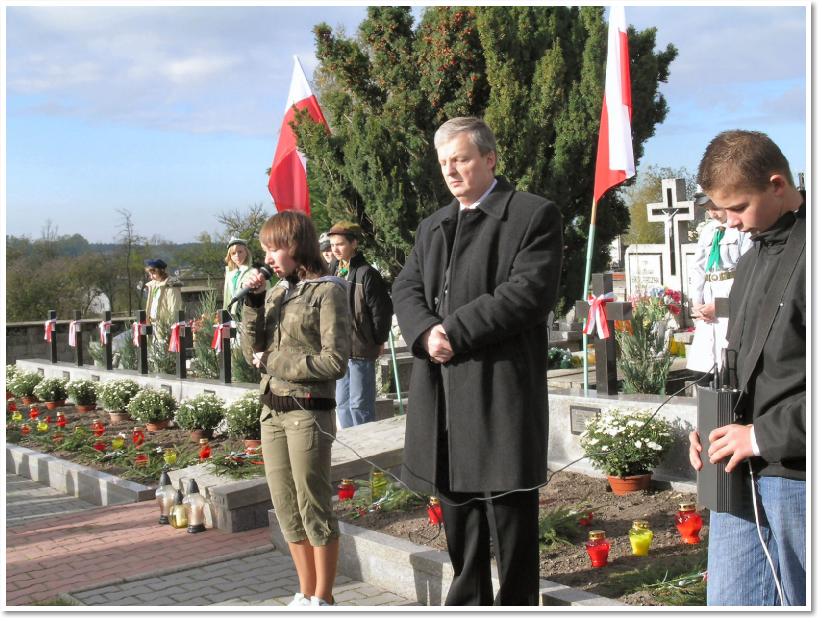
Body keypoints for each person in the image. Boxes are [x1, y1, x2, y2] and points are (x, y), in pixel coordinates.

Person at [392, 117, 563, 605]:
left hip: (498, 386)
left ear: (490, 159)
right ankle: (469, 604)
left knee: (510, 510)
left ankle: (517, 606)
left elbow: (527, 293)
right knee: (456, 508)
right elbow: (405, 287)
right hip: (442, 388)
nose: (451, 170)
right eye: (444, 162)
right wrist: (426, 331)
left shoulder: (532, 215)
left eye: (461, 159)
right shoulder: (433, 226)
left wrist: (453, 332)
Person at [688, 130, 805, 606]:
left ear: (777, 184)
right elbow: (740, 363)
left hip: (798, 472)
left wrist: (759, 436)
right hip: (738, 472)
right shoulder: (753, 257)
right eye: (721, 212)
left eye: (737, 208)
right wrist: (712, 427)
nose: (730, 224)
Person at [239, 211, 350, 608]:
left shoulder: (328, 291)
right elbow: (248, 349)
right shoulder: (274, 292)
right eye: (266, 248)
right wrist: (251, 303)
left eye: (275, 247)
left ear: (297, 246)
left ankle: (324, 597)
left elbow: (335, 361)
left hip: (308, 412)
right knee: (285, 506)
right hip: (272, 412)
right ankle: (304, 592)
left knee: (312, 504)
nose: (268, 256)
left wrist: (275, 362)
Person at [327, 220, 393, 428]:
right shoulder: (333, 270)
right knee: (342, 404)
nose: (335, 249)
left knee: (359, 405)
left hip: (361, 347)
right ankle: (353, 447)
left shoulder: (367, 273)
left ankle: (367, 451)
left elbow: (381, 311)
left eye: (340, 244)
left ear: (354, 243)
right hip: (339, 348)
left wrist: (379, 339)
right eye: (332, 245)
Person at [685, 189, 752, 383]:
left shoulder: (741, 229)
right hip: (709, 294)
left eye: (715, 207)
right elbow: (698, 267)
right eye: (708, 209)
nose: (713, 213)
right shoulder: (708, 230)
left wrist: (721, 306)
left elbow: (746, 269)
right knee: (704, 365)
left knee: (727, 360)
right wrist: (696, 301)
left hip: (730, 292)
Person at [222, 237, 260, 318]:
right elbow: (227, 296)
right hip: (231, 314)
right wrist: (224, 314)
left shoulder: (253, 272)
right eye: (233, 253)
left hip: (247, 314)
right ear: (230, 256)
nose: (237, 255)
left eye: (240, 252)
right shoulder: (229, 273)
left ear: (246, 252)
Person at [143, 259, 182, 325]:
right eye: (150, 274)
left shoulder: (171, 285)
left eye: (154, 274)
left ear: (161, 271)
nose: (151, 277)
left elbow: (174, 308)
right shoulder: (153, 285)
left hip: (164, 326)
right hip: (153, 324)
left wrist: (170, 327)